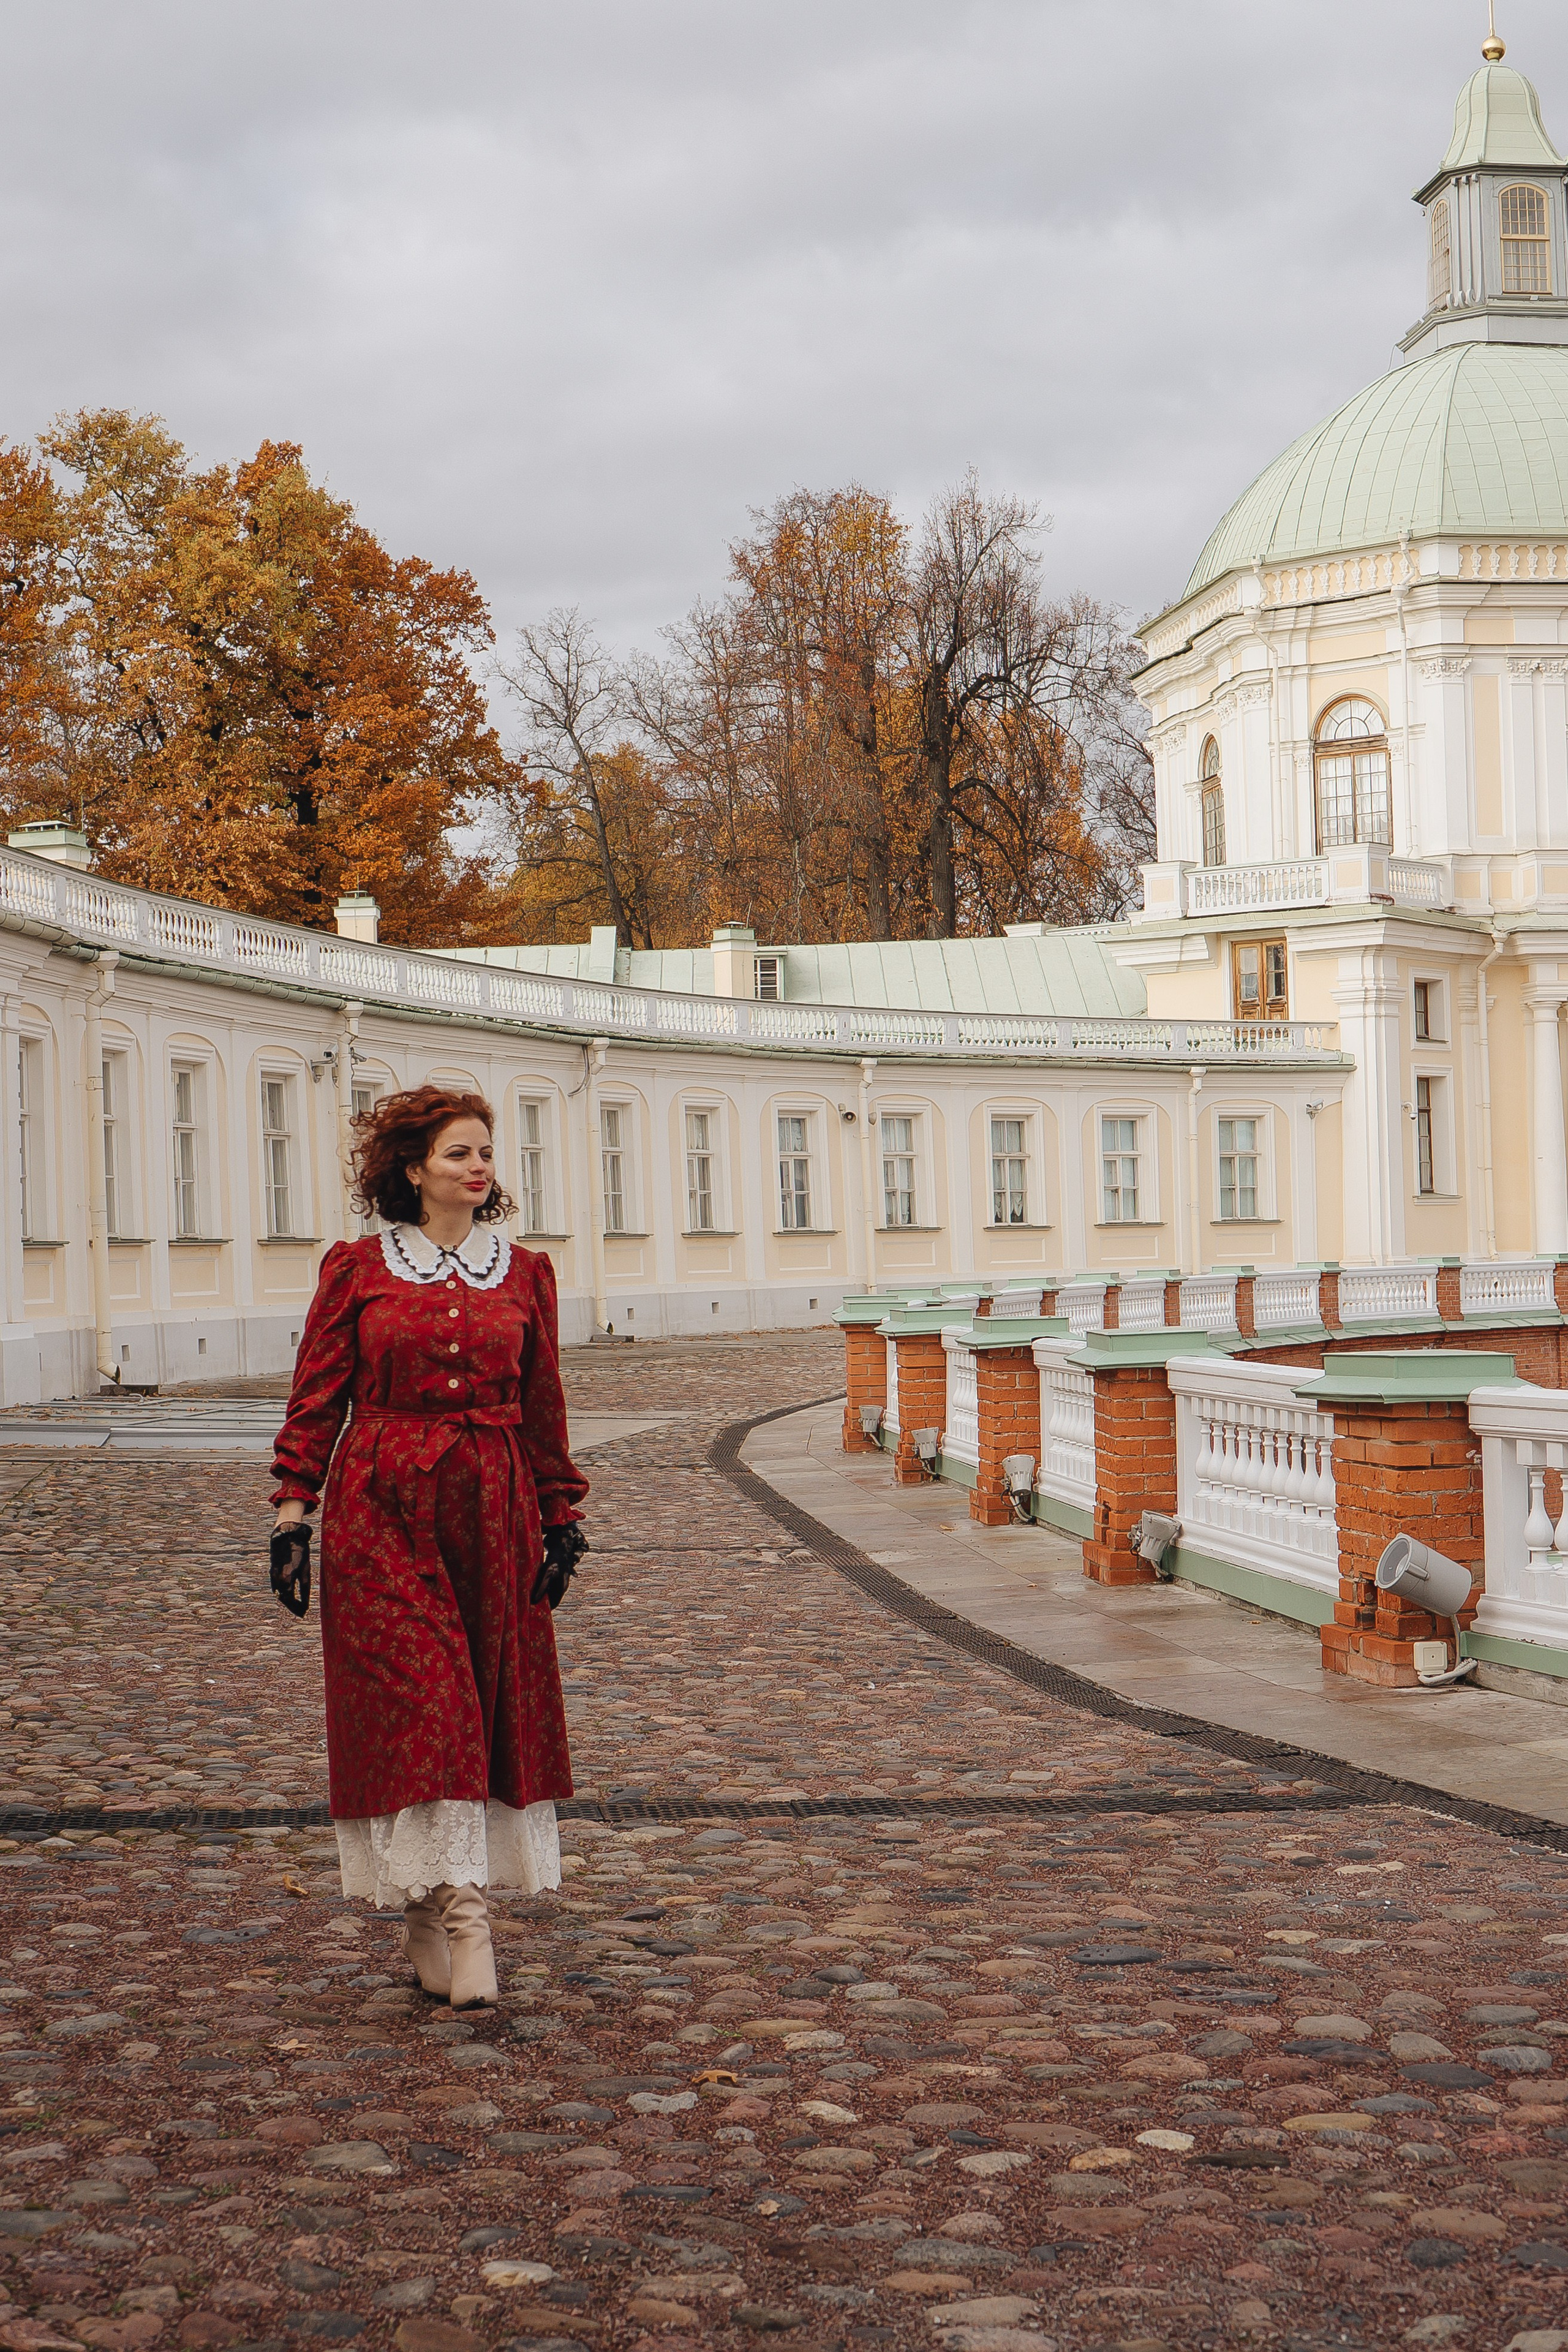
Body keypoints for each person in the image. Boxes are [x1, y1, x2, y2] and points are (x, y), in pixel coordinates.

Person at [269, 1084, 588, 2010]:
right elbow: (317, 1396)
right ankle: (463, 1918)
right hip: (380, 1504)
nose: (479, 1168)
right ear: (414, 1170)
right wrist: (294, 1512)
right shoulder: (358, 1269)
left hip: (494, 1506)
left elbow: (543, 1404)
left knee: (480, 1707)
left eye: (486, 1154)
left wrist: (562, 1513)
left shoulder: (524, 1273)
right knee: (427, 1702)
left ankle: (425, 1903)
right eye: (459, 1154)